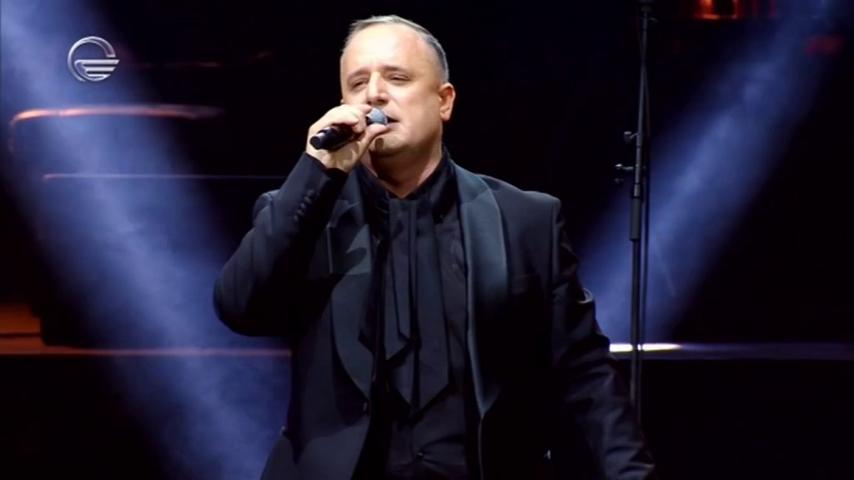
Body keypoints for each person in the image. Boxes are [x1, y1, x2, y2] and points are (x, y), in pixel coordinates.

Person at [213, 14, 656, 480]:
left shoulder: (525, 220)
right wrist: (315, 170)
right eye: (358, 83)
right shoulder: (301, 216)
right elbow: (240, 307)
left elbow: (584, 374)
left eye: (397, 78)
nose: (374, 94)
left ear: (444, 101)